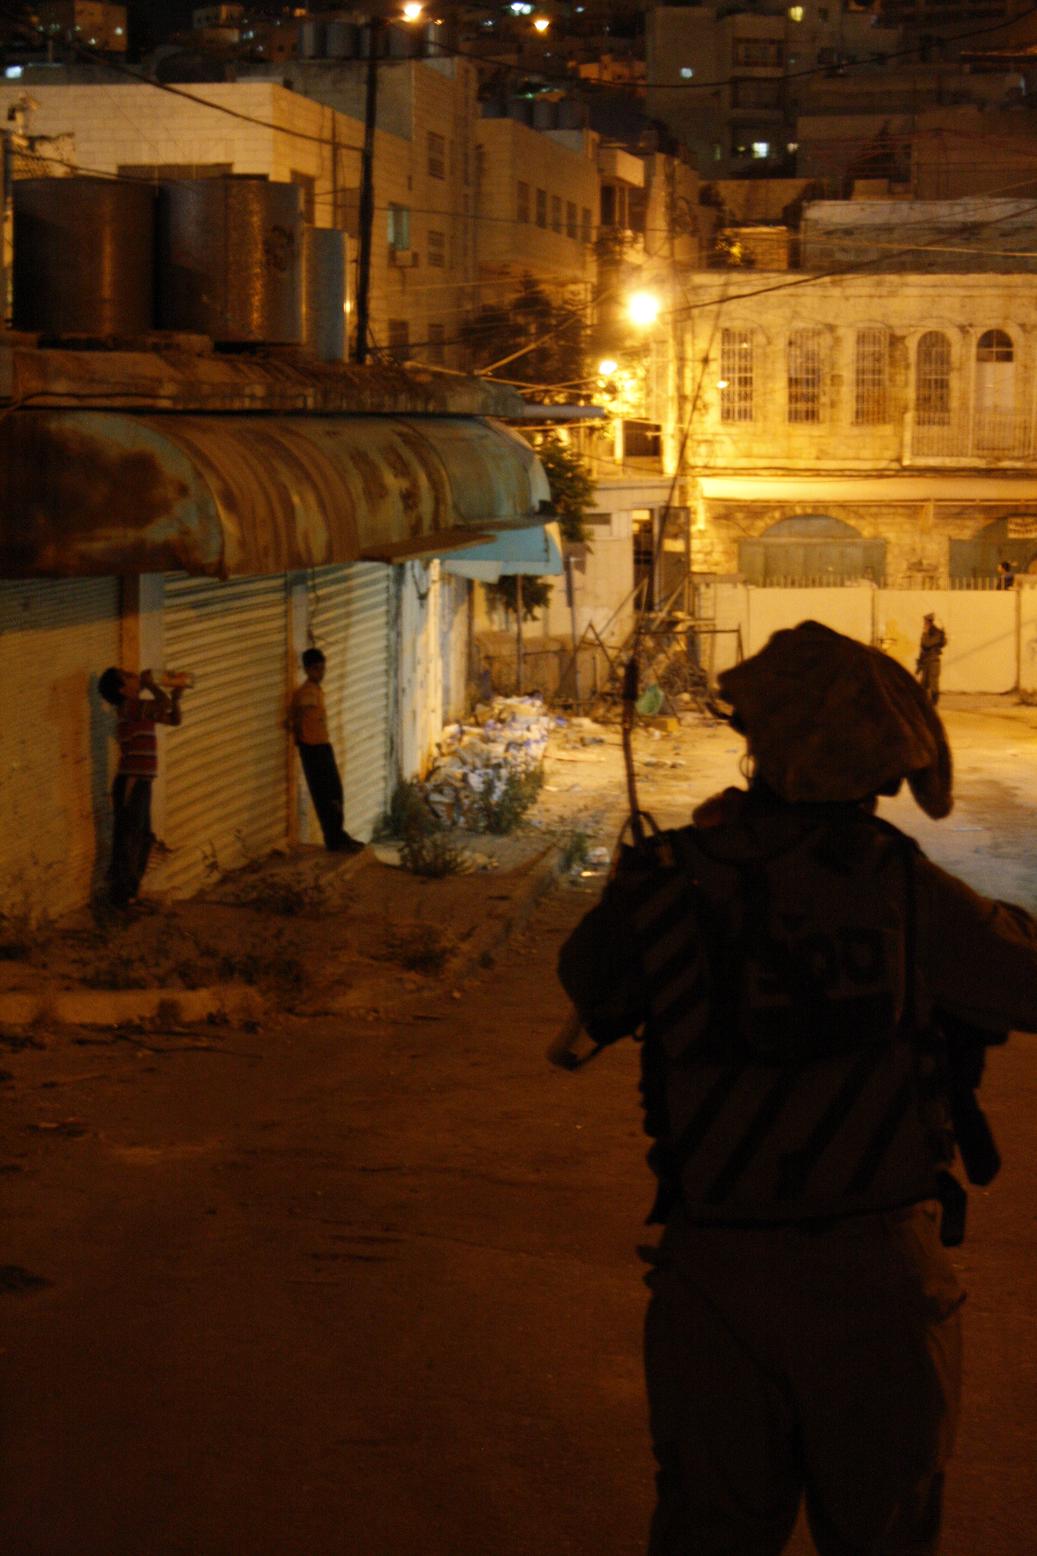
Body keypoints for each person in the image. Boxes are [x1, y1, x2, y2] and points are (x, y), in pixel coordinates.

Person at [557, 621, 1037, 1556]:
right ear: (880, 767)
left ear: (760, 747)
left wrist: (653, 882)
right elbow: (1023, 982)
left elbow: (591, 984)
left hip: (716, 1274)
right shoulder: (904, 888)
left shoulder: (672, 879)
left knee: (711, 1530)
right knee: (883, 1529)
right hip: (876, 1277)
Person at [98, 666, 185, 909]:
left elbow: (174, 718)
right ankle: (122, 897)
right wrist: (153, 685)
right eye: (128, 676)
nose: (135, 675)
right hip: (132, 781)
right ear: (123, 689)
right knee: (130, 837)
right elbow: (162, 704)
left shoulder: (139, 709)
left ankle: (131, 893)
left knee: (142, 837)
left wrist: (176, 700)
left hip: (142, 781)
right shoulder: (129, 708)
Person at [288, 647, 363, 854]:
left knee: (335, 793)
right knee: (326, 797)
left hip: (322, 747)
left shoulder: (316, 691)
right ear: (307, 669)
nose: (321, 673)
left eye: (323, 668)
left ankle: (338, 834)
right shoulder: (305, 694)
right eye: (316, 669)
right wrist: (301, 740)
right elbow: (294, 719)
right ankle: (334, 839)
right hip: (313, 750)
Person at [916, 611, 947, 704]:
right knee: (923, 684)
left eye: (926, 622)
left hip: (933, 661)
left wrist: (925, 633)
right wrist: (920, 663)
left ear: (930, 622)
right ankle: (923, 702)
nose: (924, 624)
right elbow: (922, 648)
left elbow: (927, 644)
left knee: (933, 683)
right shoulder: (927, 632)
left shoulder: (937, 633)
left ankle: (934, 702)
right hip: (926, 661)